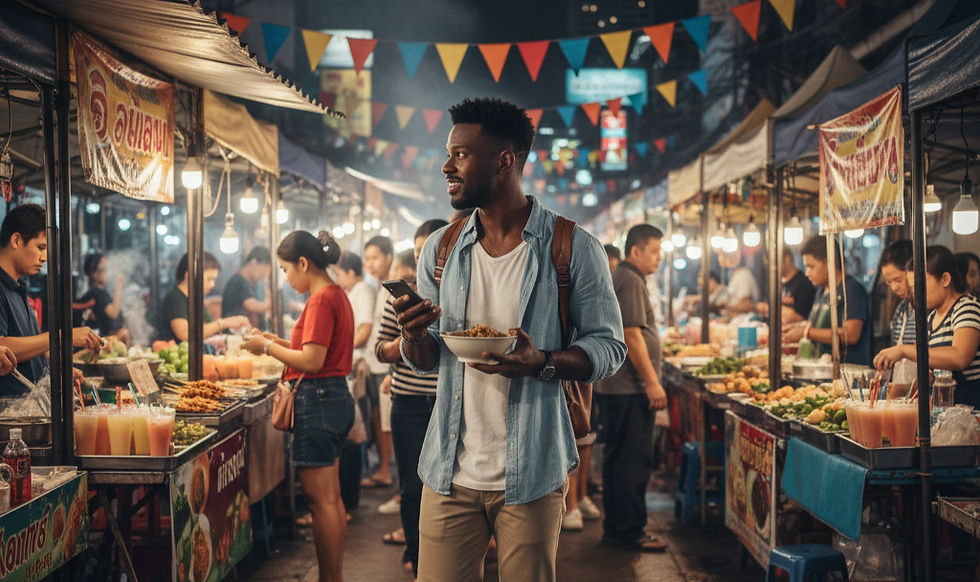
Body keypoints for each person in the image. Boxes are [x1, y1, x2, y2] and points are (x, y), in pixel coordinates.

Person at [393, 97, 626, 582]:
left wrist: (542, 361)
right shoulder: (440, 250)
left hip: (534, 471)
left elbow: (609, 347)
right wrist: (413, 334)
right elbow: (425, 359)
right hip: (448, 470)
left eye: (460, 154)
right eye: (448, 153)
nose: (445, 166)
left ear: (505, 160)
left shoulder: (571, 246)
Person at [242, 230, 355, 582]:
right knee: (331, 500)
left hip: (318, 401)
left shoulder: (321, 299)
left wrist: (267, 349)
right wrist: (275, 341)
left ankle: (329, 578)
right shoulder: (335, 293)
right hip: (333, 399)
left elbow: (311, 360)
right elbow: (313, 350)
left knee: (321, 503)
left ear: (304, 263)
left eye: (286, 269)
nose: (286, 278)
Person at [375, 220, 446, 577]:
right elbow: (379, 349)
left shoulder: (456, 296)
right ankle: (417, 557)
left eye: (429, 252)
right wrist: (407, 341)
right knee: (413, 485)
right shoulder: (401, 301)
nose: (423, 260)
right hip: (408, 404)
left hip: (449, 403)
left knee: (450, 486)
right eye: (418, 253)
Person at [593, 224, 668, 551]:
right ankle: (628, 531)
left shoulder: (626, 277)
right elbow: (632, 335)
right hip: (629, 388)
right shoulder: (630, 279)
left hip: (620, 387)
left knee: (620, 460)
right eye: (654, 251)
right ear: (635, 251)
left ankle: (619, 529)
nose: (659, 257)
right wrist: (652, 383)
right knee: (632, 462)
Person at [0, 204, 101, 397]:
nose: (44, 257)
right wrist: (62, 336)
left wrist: (57, 372)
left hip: (32, 408)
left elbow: (30, 349)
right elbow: (3, 348)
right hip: (9, 416)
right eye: (40, 247)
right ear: (16, 240)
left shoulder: (19, 287)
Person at [874, 246, 980, 408]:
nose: (916, 292)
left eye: (920, 284)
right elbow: (929, 361)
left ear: (945, 279)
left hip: (971, 411)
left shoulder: (966, 307)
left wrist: (902, 350)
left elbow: (960, 357)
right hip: (946, 411)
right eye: (912, 287)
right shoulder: (931, 318)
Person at [783, 235, 872, 366]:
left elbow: (851, 335)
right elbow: (817, 326)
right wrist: (796, 327)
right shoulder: (821, 291)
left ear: (829, 262)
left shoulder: (851, 290)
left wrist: (806, 332)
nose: (807, 273)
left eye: (811, 267)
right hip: (823, 370)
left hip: (847, 372)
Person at [361, 235, 396, 488]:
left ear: (388, 257)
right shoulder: (379, 286)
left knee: (387, 424)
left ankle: (388, 472)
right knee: (378, 418)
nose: (369, 264)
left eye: (374, 258)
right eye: (366, 259)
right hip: (375, 363)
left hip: (387, 367)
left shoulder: (393, 286)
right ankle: (385, 469)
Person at [157, 252, 249, 343]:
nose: (213, 284)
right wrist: (224, 323)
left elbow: (207, 330)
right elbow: (184, 334)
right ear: (190, 275)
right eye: (209, 279)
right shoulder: (175, 298)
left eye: (214, 279)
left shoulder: (196, 301)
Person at [77, 252, 129, 343]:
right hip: (98, 344)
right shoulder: (97, 292)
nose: (108, 272)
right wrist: (119, 286)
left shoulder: (93, 292)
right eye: (104, 269)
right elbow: (113, 313)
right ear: (92, 272)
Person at [758, 248, 816, 324]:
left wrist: (768, 308)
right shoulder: (776, 283)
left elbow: (798, 318)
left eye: (775, 263)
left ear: (787, 258)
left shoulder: (804, 283)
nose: (772, 268)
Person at [221, 246, 271, 327]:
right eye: (263, 271)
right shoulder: (237, 281)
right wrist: (269, 304)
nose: (263, 276)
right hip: (233, 335)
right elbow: (252, 306)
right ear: (254, 262)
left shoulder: (251, 284)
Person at [880, 240, 915, 346]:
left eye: (898, 280)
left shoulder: (932, 310)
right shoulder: (901, 309)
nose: (894, 288)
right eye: (889, 282)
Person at [721, 249, 760, 314]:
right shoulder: (734, 275)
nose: (718, 258)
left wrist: (727, 307)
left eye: (720, 255)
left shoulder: (743, 275)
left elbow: (747, 306)